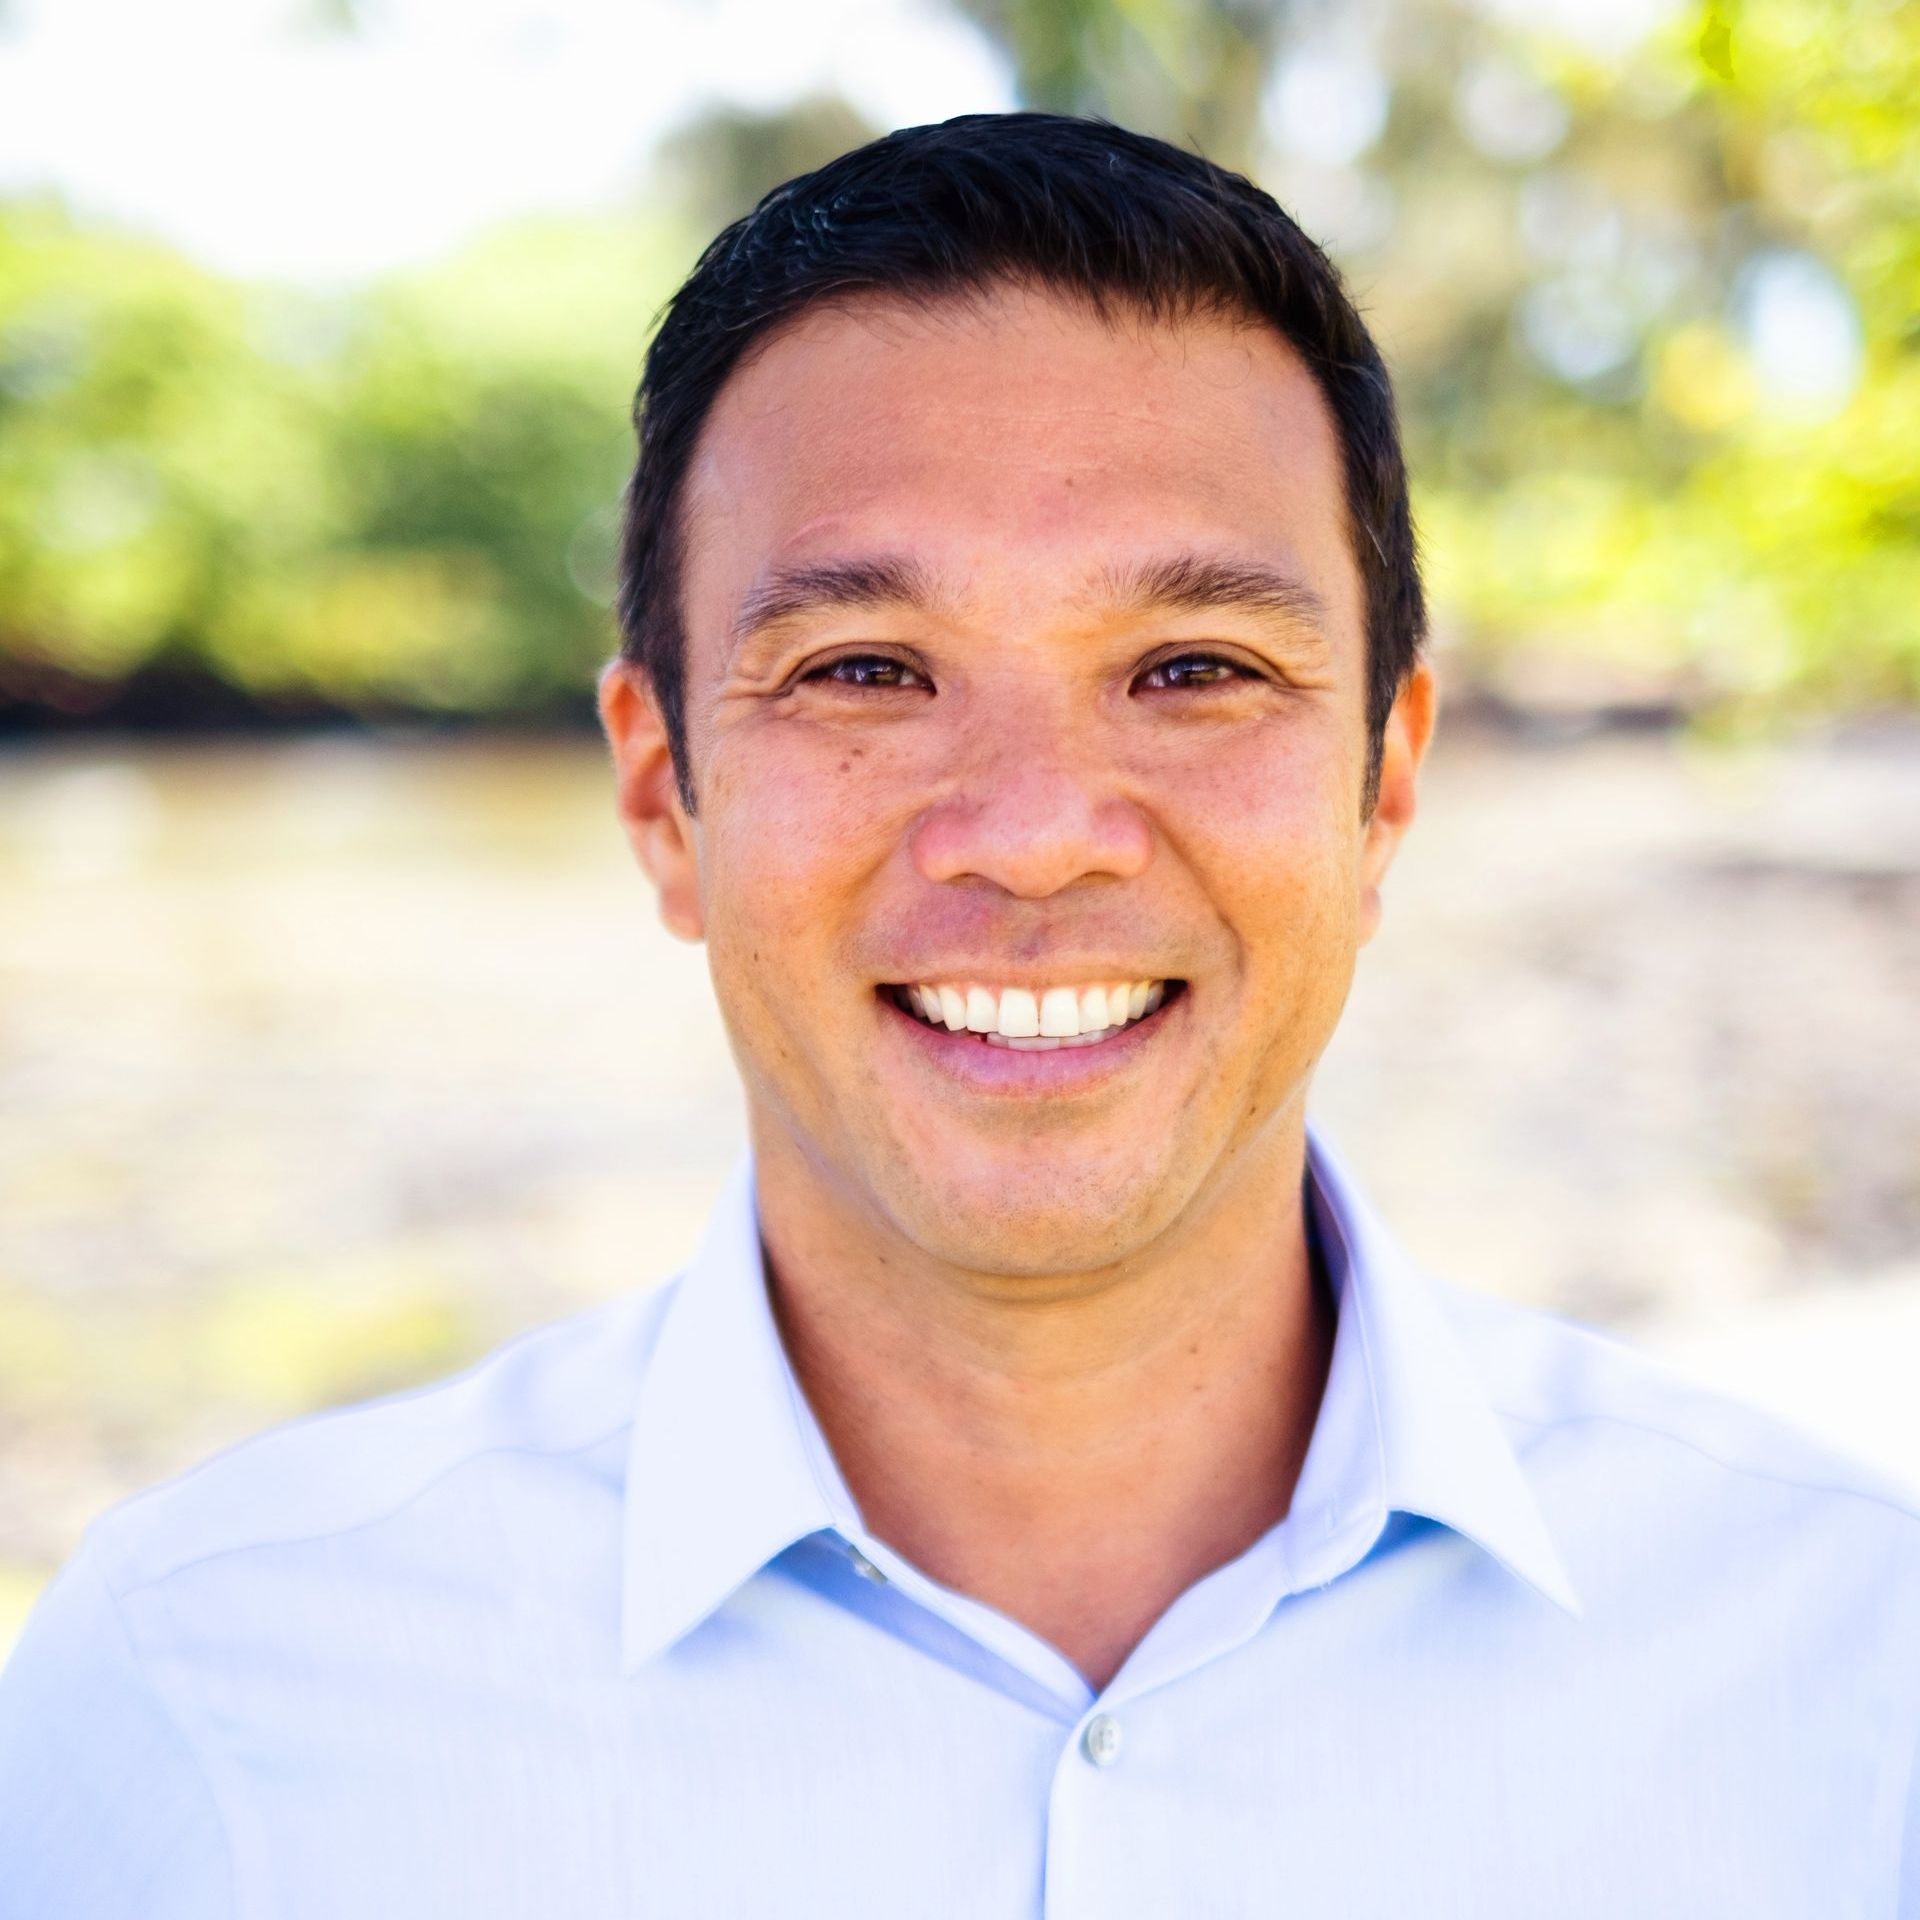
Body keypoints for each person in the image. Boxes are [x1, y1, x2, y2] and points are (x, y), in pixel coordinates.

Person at [2, 112, 1915, 1918]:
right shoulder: (209, 1700)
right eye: (863, 669)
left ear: (1385, 786)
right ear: (665, 797)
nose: (1031, 837)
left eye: (1192, 667)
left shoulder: (1846, 1667)